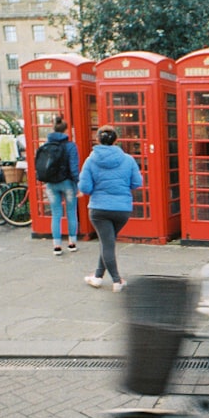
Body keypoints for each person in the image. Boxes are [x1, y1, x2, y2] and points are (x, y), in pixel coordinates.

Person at [78, 125, 142, 292]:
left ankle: (117, 280)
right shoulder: (128, 159)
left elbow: (85, 187)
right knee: (108, 241)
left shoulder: (91, 160)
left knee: (107, 243)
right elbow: (137, 183)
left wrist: (97, 190)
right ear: (116, 140)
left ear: (97, 140)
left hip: (99, 208)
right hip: (122, 209)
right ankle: (98, 277)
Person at [43, 116, 81, 256]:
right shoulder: (70, 146)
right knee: (71, 212)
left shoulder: (45, 145)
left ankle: (57, 245)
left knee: (56, 214)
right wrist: (78, 183)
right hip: (67, 183)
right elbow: (74, 167)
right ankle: (72, 243)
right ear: (66, 130)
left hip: (51, 183)